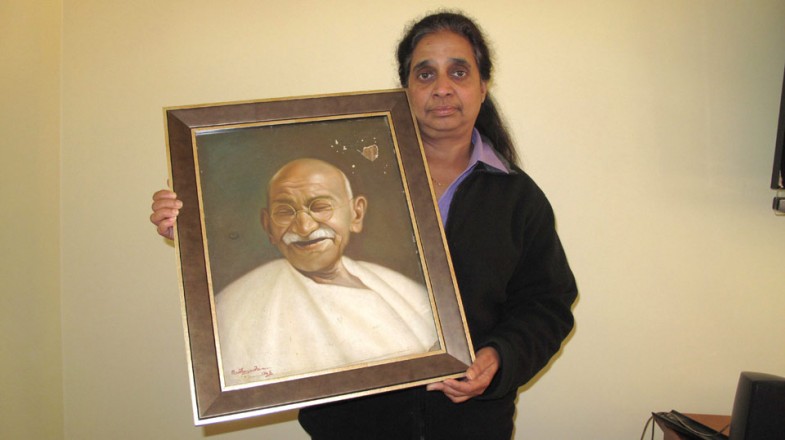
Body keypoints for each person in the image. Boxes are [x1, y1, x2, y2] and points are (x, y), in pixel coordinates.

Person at [151, 11, 577, 439]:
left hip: (470, 425)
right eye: (425, 74)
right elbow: (269, 230)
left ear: (483, 86)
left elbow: (546, 305)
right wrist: (193, 223)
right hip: (352, 426)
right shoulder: (351, 172)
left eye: (459, 72)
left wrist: (499, 359)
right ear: (405, 90)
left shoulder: (517, 197)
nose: (442, 88)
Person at [216, 158, 437, 385]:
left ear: (356, 214)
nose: (304, 226)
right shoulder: (233, 309)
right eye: (285, 212)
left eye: (320, 207)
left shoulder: (402, 287)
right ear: (267, 225)